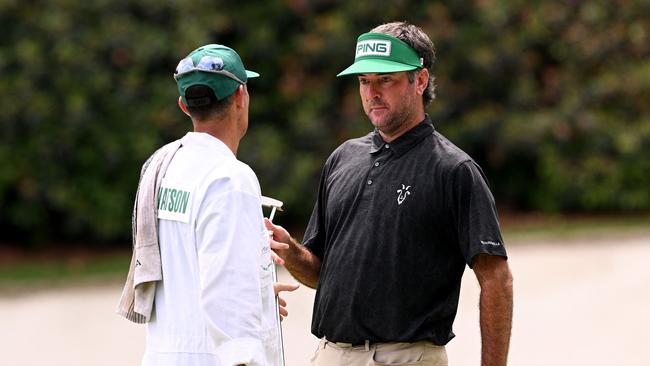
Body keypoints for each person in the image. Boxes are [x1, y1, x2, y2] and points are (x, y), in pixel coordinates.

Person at [265, 22, 513, 366]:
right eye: (365, 82)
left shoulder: (454, 170)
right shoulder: (342, 158)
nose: (372, 92)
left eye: (386, 79)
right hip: (330, 354)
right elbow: (320, 274)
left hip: (407, 357)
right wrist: (290, 251)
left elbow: (496, 279)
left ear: (420, 80)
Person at [119, 44, 297, 366]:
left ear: (184, 106)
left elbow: (187, 270)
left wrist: (258, 299)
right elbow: (227, 297)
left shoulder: (162, 165)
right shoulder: (230, 178)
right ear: (242, 97)